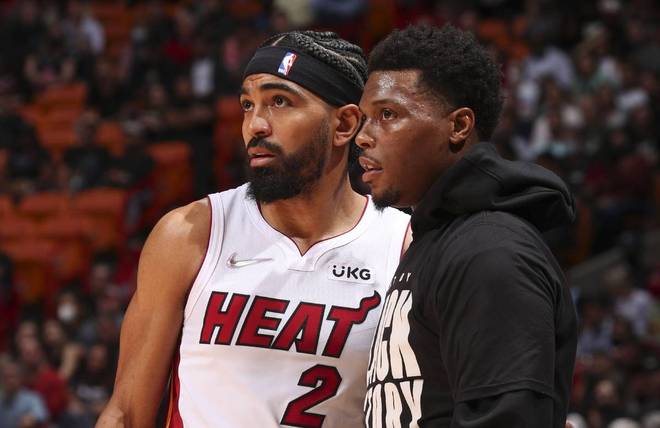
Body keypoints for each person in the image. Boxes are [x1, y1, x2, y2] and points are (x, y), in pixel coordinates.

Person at [97, 31, 410, 427]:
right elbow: (126, 412)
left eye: (280, 102)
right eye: (248, 104)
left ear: (345, 124)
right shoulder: (191, 234)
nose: (255, 125)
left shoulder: (403, 247)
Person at [357, 24, 577, 427]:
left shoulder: (490, 251)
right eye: (364, 118)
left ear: (458, 127)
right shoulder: (436, 242)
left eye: (387, 115)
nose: (362, 137)